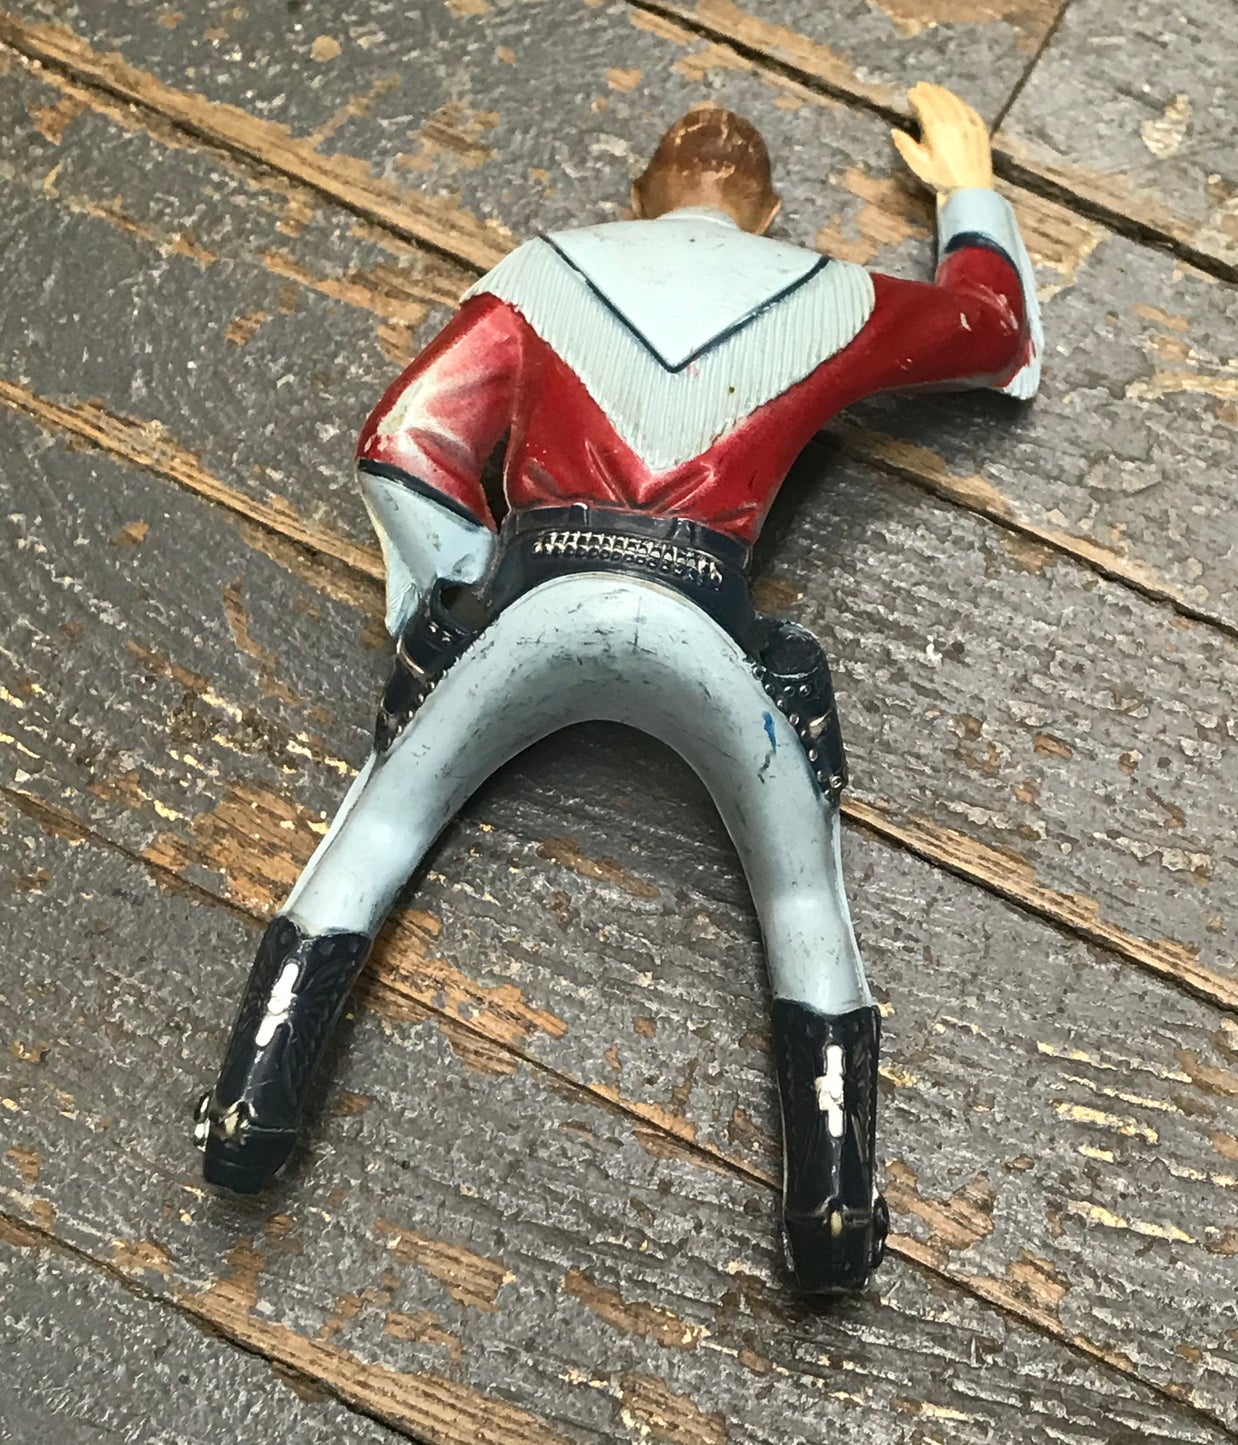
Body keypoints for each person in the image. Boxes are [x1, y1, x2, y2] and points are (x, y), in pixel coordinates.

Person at [194, 84, 1042, 1294]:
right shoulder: (827, 291)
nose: (710, 128)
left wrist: (456, 599)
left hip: (535, 593)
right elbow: (994, 334)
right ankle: (833, 1220)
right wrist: (968, 189)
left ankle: (248, 1118)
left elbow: (400, 443)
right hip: (706, 614)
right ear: (768, 211)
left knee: (374, 830)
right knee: (803, 894)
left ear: (640, 196)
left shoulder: (546, 269)